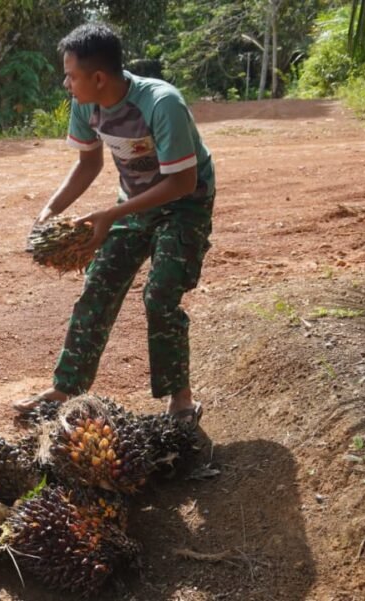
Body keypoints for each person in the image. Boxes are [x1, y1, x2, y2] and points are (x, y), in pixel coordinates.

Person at [15, 23, 215, 426]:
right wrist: (48, 212)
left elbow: (182, 181)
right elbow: (88, 163)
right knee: (99, 285)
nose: (66, 83)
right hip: (134, 203)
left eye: (71, 75)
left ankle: (180, 400)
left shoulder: (162, 103)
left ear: (99, 77)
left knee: (160, 293)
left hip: (185, 205)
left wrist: (110, 215)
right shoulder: (85, 104)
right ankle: (66, 387)